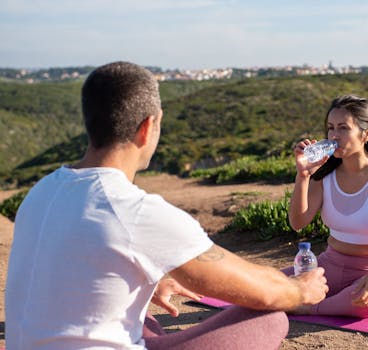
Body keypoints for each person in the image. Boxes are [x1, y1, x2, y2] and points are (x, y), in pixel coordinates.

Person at [5, 61, 328, 350]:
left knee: (143, 318)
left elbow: (75, 260)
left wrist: (148, 277)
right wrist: (300, 290)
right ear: (148, 127)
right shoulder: (134, 211)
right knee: (269, 319)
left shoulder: (42, 191)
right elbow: (264, 292)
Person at [285, 94, 368, 318]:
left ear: (366, 134)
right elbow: (298, 223)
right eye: (330, 128)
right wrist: (302, 176)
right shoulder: (325, 174)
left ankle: (310, 307)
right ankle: (322, 303)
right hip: (329, 266)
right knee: (268, 285)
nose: (334, 136)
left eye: (343, 128)